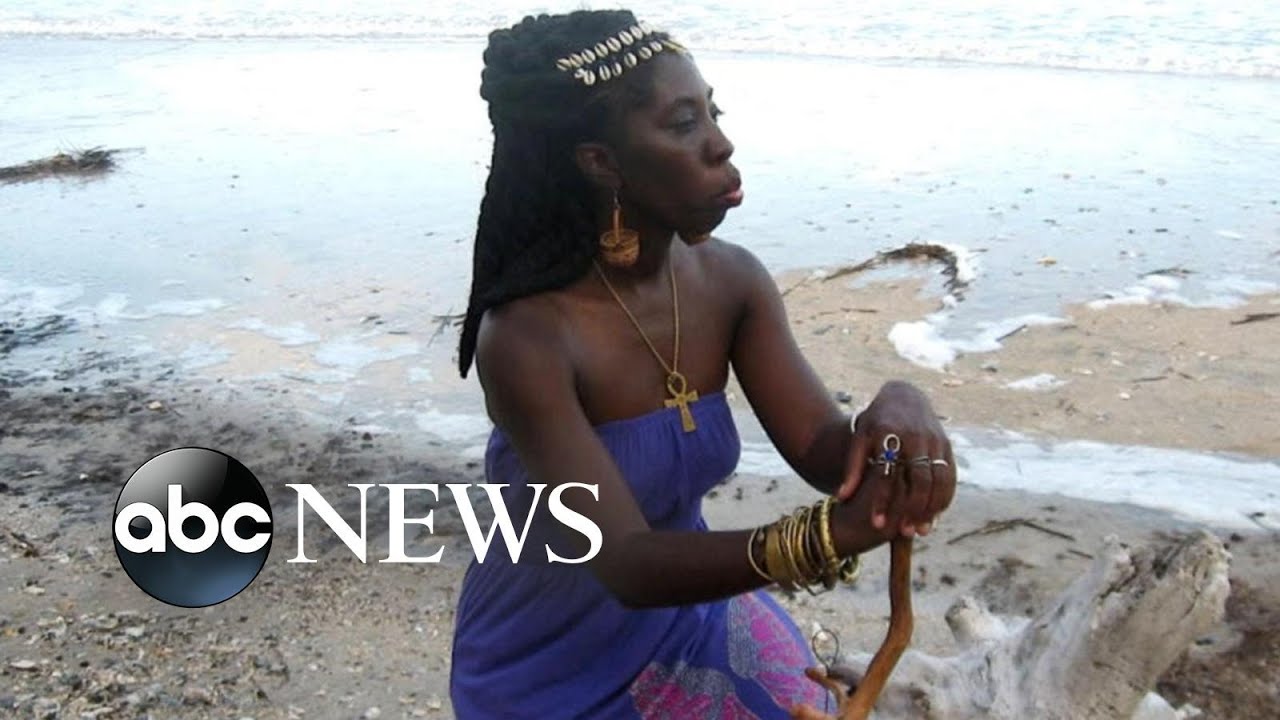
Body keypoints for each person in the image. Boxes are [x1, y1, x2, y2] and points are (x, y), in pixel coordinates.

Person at [450, 10, 954, 718]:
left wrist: (901, 411)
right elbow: (625, 560)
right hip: (548, 655)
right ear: (602, 162)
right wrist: (821, 539)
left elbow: (826, 455)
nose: (721, 143)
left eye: (712, 112)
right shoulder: (529, 338)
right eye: (683, 123)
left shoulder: (730, 283)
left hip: (693, 608)